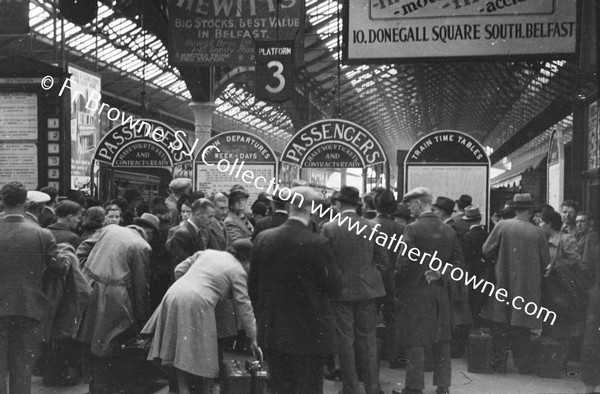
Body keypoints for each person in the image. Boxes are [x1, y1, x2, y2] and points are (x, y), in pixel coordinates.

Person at [249, 186, 339, 393]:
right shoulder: (317, 243)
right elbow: (335, 287)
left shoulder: (264, 238)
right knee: (307, 387)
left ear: (289, 206)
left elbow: (253, 287)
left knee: (278, 387)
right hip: (309, 334)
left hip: (272, 331)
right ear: (311, 209)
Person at [143, 241, 259, 394]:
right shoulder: (238, 270)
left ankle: (184, 390)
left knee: (179, 349)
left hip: (173, 294)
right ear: (247, 260)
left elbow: (179, 269)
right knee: (207, 354)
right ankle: (207, 391)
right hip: (198, 303)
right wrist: (253, 336)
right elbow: (244, 305)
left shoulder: (208, 253)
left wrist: (192, 285)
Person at [76, 213, 158, 393]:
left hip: (91, 287)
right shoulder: (142, 246)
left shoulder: (109, 229)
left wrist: (86, 271)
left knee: (91, 339)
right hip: (116, 297)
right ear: (149, 232)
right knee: (110, 343)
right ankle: (107, 387)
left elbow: (82, 248)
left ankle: (94, 385)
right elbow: (141, 287)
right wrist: (142, 320)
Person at [393, 187, 463, 394]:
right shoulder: (449, 230)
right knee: (441, 340)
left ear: (419, 203)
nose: (407, 208)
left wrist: (397, 284)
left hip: (414, 292)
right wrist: (442, 273)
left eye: (409, 204)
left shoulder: (412, 229)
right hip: (440, 293)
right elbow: (459, 264)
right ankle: (443, 387)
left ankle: (414, 388)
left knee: (415, 340)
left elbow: (402, 264)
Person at [0, 181, 68, 394]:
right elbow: (60, 267)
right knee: (22, 368)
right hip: (29, 308)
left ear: (2, 201)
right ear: (26, 203)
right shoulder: (42, 234)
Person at [322, 186, 387, 394]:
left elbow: (325, 263)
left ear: (339, 204)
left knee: (345, 341)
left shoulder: (329, 228)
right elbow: (383, 260)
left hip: (340, 293)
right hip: (368, 291)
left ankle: (350, 388)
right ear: (357, 205)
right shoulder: (372, 226)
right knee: (368, 340)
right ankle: (373, 388)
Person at [481, 193, 550, 373]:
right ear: (530, 210)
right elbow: (545, 260)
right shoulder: (539, 232)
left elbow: (486, 249)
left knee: (500, 321)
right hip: (528, 285)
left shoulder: (502, 226)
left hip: (502, 280)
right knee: (522, 323)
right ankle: (522, 363)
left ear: (514, 208)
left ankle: (500, 361)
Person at [539, 210, 585, 367]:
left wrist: (557, 265)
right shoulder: (542, 239)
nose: (539, 225)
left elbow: (578, 264)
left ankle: (560, 360)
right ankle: (549, 359)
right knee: (547, 324)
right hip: (547, 288)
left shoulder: (566, 240)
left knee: (562, 326)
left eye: (542, 222)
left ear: (550, 224)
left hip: (561, 289)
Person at [371, 189, 404, 368]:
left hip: (373, 279)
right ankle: (394, 358)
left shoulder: (368, 225)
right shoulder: (400, 228)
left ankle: (371, 359)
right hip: (393, 280)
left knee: (370, 321)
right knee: (393, 320)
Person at [460, 205, 490, 326]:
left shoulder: (467, 236)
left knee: (471, 294)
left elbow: (465, 255)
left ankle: (472, 319)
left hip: (471, 269)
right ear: (479, 218)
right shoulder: (486, 234)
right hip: (485, 268)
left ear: (467, 221)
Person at [167, 198, 215, 270]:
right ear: (198, 214)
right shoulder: (182, 234)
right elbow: (182, 267)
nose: (212, 221)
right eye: (210, 216)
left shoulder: (197, 231)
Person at [574, 212, 600, 278]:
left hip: (586, 276)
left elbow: (587, 262)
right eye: (576, 222)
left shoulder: (591, 236)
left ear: (591, 223)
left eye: (582, 221)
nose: (578, 225)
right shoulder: (582, 235)